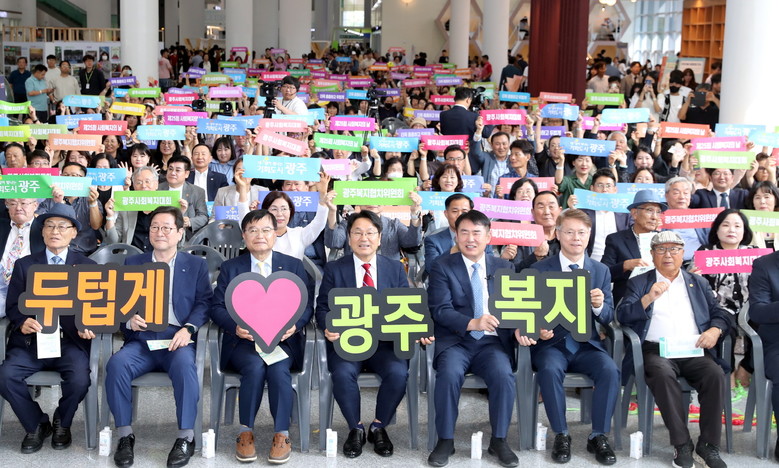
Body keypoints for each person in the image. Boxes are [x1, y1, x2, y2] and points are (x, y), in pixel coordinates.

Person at [106, 206, 212, 468]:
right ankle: (125, 435)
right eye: (154, 227)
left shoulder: (195, 265)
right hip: (142, 340)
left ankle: (185, 437)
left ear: (180, 233)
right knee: (116, 364)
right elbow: (119, 302)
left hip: (177, 339)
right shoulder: (134, 263)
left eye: (166, 227)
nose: (159, 232)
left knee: (186, 367)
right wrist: (128, 319)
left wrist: (188, 329)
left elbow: (204, 302)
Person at [316, 210, 427, 458]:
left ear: (379, 238)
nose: (363, 238)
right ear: (349, 238)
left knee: (398, 373)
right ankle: (355, 428)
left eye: (370, 233)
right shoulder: (335, 269)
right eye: (357, 232)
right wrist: (327, 325)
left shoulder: (395, 268)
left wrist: (418, 330)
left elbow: (406, 307)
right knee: (342, 374)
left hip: (385, 343)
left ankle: (378, 426)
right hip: (348, 342)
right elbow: (322, 307)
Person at [618, 231, 731, 468]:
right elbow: (623, 315)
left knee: (715, 375)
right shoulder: (640, 282)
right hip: (656, 350)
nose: (668, 255)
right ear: (652, 254)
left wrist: (715, 331)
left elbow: (720, 313)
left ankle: (708, 444)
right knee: (661, 374)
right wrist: (648, 298)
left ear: (683, 253)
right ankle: (682, 444)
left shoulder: (697, 282)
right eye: (661, 249)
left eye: (674, 249)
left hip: (692, 349)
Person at [210, 209, 314, 463]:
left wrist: (296, 325)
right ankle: (245, 431)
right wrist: (235, 327)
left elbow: (306, 305)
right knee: (254, 367)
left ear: (275, 234)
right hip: (243, 342)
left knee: (278, 368)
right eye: (253, 230)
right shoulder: (231, 268)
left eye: (266, 230)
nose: (260, 235)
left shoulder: (293, 266)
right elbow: (216, 307)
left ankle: (282, 434)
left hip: (283, 341)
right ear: (244, 236)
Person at [519, 208, 619, 465]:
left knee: (609, 369)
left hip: (587, 344)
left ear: (589, 236)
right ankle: (561, 434)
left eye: (582, 233)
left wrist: (598, 305)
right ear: (558, 234)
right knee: (549, 370)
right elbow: (526, 311)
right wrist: (537, 328)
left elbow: (608, 316)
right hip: (551, 344)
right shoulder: (539, 269)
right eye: (570, 232)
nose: (576, 238)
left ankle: (598, 435)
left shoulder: (600, 271)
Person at [0, 204, 97, 454]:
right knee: (6, 376)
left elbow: (96, 307)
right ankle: (36, 424)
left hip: (70, 341)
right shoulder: (24, 265)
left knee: (80, 380)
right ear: (42, 232)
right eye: (50, 226)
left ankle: (62, 421)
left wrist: (90, 324)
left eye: (62, 227)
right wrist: (22, 321)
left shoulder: (87, 266)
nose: (55, 231)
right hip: (32, 342)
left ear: (74, 233)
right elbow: (13, 306)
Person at [426, 210, 519, 467]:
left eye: (477, 233)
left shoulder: (504, 267)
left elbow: (516, 308)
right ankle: (445, 440)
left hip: (492, 343)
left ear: (488, 237)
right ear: (456, 236)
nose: (470, 239)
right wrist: (471, 323)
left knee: (503, 375)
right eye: (464, 232)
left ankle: (499, 440)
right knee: (449, 374)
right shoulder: (443, 266)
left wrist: (520, 328)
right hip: (456, 341)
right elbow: (440, 310)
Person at [601, 189, 666, 305]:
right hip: (629, 302)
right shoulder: (616, 240)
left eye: (658, 212)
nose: (654, 217)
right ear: (635, 213)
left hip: (661, 300)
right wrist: (625, 265)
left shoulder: (663, 240)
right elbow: (604, 274)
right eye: (650, 210)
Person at [325, 193, 423, 262]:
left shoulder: (394, 225)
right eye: (367, 197)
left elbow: (412, 242)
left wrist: (414, 214)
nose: (372, 202)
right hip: (354, 275)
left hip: (388, 275)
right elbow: (334, 242)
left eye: (377, 198)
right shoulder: (348, 223)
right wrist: (332, 211)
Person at [36, 162, 104, 255]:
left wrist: (93, 203)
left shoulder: (90, 199)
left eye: (74, 175)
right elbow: (36, 221)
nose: (69, 179)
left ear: (83, 179)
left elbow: (96, 226)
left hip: (84, 252)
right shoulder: (50, 199)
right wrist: (59, 203)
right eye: (66, 175)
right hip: (54, 251)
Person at [0, 198, 45, 314]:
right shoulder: (2, 226)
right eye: (13, 203)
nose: (18, 208)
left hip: (29, 287)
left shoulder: (45, 229)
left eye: (24, 203)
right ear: (6, 205)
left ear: (35, 205)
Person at [577, 169, 631, 261]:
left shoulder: (626, 213)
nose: (604, 190)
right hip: (591, 260)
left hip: (619, 262)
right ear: (592, 189)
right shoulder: (583, 212)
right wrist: (572, 208)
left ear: (615, 190)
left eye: (608, 186)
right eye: (600, 185)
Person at [104, 166, 160, 251]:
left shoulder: (166, 208)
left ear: (156, 184)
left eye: (147, 181)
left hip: (158, 255)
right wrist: (110, 216)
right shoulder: (126, 208)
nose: (143, 186)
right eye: (139, 182)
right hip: (131, 255)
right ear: (134, 186)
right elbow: (113, 241)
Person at [158, 155, 209, 239]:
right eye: (170, 169)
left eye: (178, 170)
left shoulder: (197, 192)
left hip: (186, 237)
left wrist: (189, 222)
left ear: (186, 174)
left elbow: (203, 216)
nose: (173, 173)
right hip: (161, 234)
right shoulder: (157, 189)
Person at [423, 194, 472, 269]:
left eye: (464, 212)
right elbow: (431, 268)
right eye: (455, 211)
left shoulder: (481, 239)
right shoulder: (433, 240)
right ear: (446, 214)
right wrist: (455, 248)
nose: (459, 215)